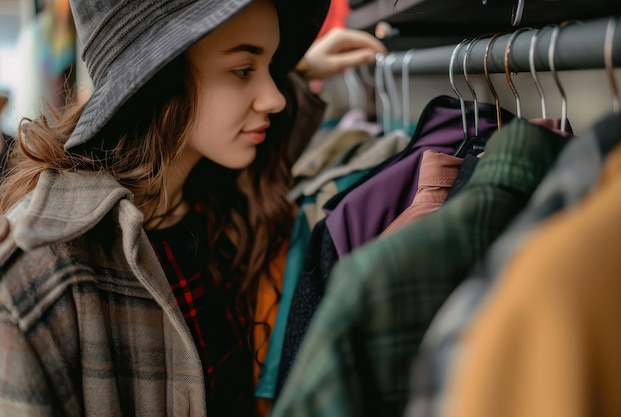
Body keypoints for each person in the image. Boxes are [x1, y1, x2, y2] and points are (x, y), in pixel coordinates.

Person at [0, 0, 386, 416]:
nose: (274, 98)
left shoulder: (225, 192)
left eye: (272, 67)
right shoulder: (44, 277)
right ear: (159, 80)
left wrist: (300, 69)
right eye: (243, 70)